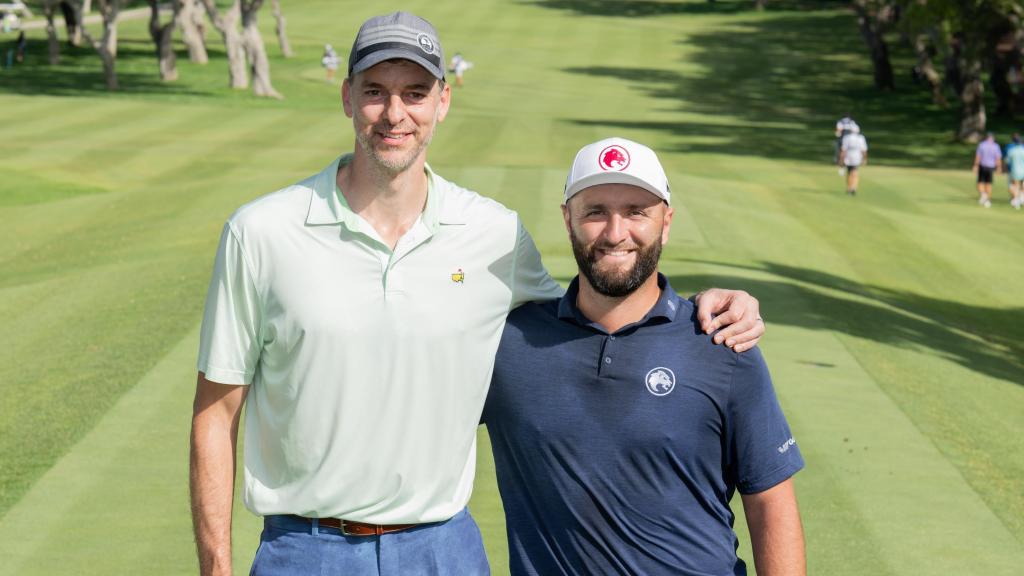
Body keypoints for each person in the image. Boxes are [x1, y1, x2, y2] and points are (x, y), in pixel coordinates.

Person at [190, 13, 766, 576]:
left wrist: (698, 308)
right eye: (375, 91)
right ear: (347, 97)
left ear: (442, 101)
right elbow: (214, 417)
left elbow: (597, 298)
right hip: (305, 549)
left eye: (415, 92)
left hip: (443, 548)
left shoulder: (494, 234)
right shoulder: (261, 231)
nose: (395, 114)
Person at [483, 137, 805, 576]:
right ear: (567, 219)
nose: (616, 233)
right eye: (595, 211)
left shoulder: (722, 341)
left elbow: (770, 502)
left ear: (666, 222)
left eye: (636, 212)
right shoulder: (509, 343)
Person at [973, 132, 1002, 208]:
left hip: (983, 166)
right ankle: (987, 199)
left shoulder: (982, 145)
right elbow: (998, 158)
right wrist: (999, 167)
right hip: (990, 167)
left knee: (980, 182)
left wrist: (975, 165)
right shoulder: (996, 146)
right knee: (988, 184)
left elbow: (978, 156)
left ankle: (983, 195)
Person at [839, 126, 868, 196]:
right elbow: (864, 150)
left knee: (849, 172)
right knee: (855, 172)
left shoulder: (847, 137)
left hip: (849, 156)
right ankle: (853, 187)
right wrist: (865, 159)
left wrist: (841, 159)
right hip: (857, 156)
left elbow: (843, 149)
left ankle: (850, 188)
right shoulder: (861, 138)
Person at [1005, 134, 1024, 209]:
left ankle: (1016, 200)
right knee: (1022, 186)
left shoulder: (1012, 151)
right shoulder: (1023, 150)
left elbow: (1007, 161)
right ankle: (1021, 199)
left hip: (1015, 171)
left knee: (1015, 186)